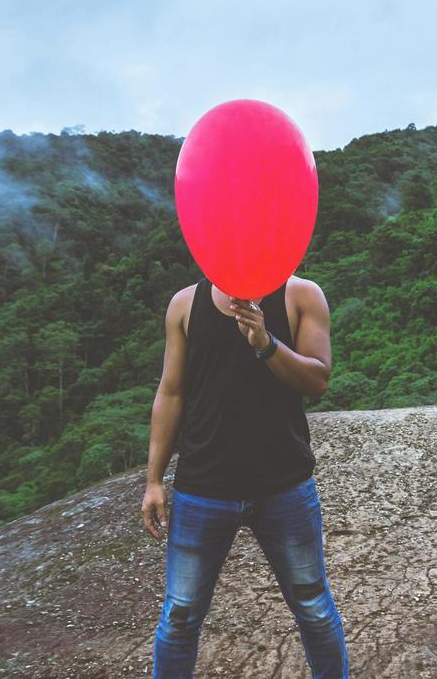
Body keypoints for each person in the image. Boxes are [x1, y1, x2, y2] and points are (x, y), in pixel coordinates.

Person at [141, 273, 348, 678]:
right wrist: (153, 480)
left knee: (313, 608)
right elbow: (171, 392)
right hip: (202, 487)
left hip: (284, 485)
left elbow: (317, 380)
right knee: (180, 615)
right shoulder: (185, 304)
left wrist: (267, 344)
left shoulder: (300, 295)